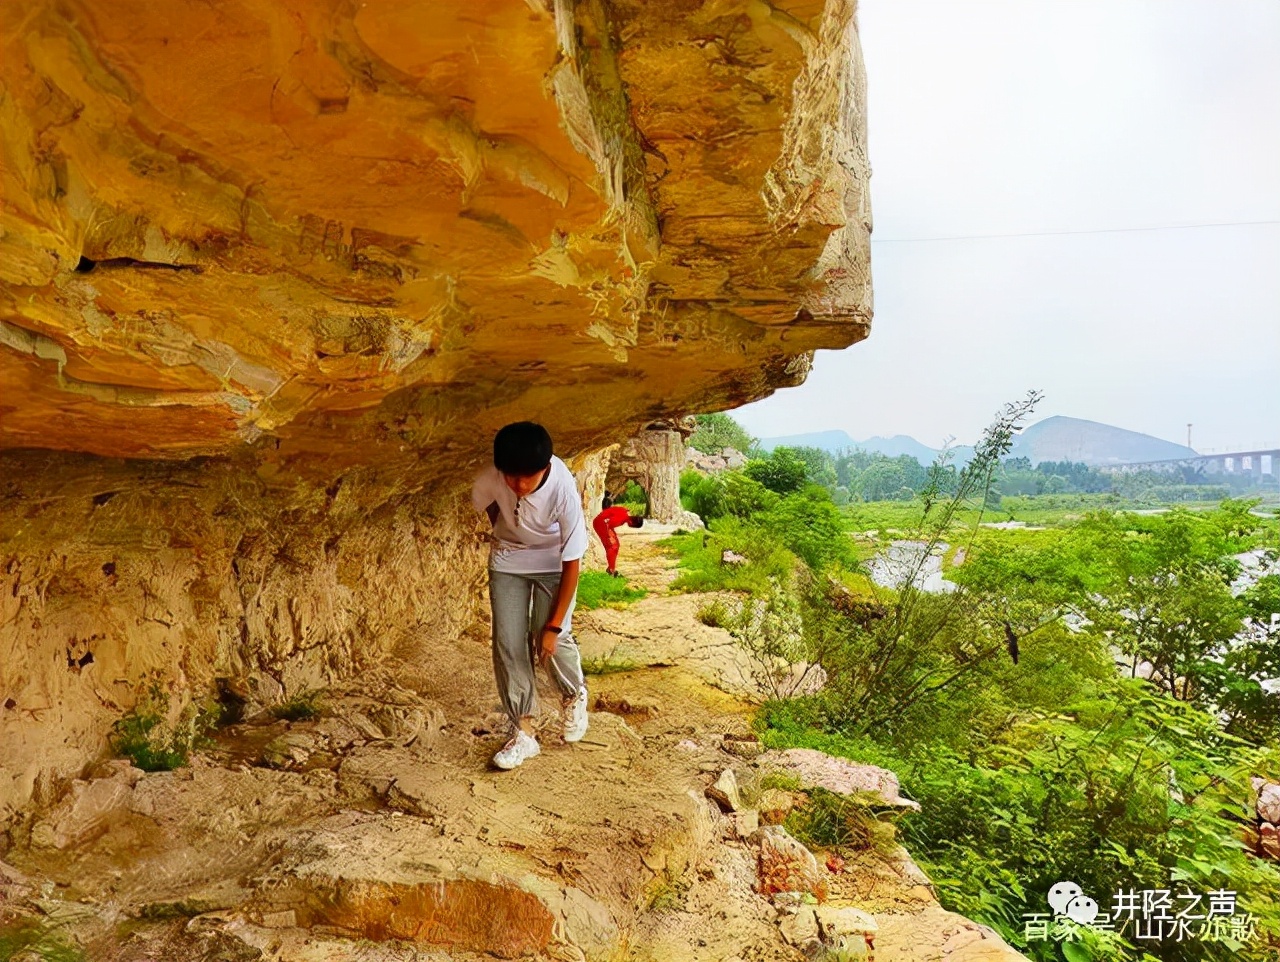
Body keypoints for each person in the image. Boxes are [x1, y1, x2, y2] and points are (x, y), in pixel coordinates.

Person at [471, 422, 589, 770]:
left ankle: (573, 692)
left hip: (555, 561)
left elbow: (573, 563)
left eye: (528, 478)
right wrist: (510, 531)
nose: (519, 486)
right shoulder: (490, 478)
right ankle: (524, 732)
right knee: (507, 642)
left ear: (546, 468)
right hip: (509, 559)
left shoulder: (564, 489)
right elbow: (489, 507)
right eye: (512, 478)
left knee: (548, 636)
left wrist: (553, 627)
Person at [592, 503, 645, 577]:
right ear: (632, 523)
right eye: (633, 527)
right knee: (613, 546)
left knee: (616, 545)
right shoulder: (622, 518)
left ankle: (611, 568)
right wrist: (608, 537)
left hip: (604, 523)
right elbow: (606, 521)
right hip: (600, 523)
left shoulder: (625, 513)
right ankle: (611, 570)